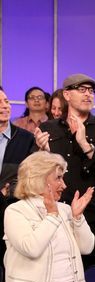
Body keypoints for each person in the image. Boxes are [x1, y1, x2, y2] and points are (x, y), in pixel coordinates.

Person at [3, 151, 94, 282]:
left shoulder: (65, 209)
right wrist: (52, 217)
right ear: (39, 179)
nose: (64, 185)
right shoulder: (16, 211)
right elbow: (32, 247)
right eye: (58, 178)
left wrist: (78, 218)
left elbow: (87, 247)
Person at [35, 73, 95, 267]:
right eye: (82, 90)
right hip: (53, 213)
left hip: (89, 214)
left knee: (90, 274)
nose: (88, 95)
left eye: (91, 91)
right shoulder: (49, 127)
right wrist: (42, 152)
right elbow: (34, 172)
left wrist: (84, 144)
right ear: (67, 95)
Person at [0, 88, 36, 265]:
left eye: (6, 101)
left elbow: (30, 177)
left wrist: (8, 191)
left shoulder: (26, 139)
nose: (4, 106)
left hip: (13, 212)